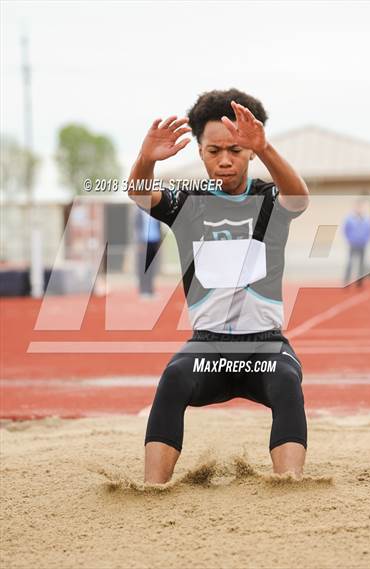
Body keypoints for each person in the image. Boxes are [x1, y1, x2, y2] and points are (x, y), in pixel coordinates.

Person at [128, 88, 309, 484]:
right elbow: (140, 195)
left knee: (286, 381)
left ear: (248, 152)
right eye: (214, 151)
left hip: (265, 344)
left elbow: (299, 198)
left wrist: (266, 149)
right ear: (199, 150)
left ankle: (291, 488)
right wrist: (145, 159)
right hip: (207, 347)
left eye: (236, 150)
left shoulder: (269, 197)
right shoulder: (188, 203)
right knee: (174, 377)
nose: (225, 160)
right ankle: (151, 490)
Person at [343, 202, 370, 287]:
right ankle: (346, 281)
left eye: (361, 208)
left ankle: (359, 282)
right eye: (358, 208)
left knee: (362, 263)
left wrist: (366, 239)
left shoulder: (367, 220)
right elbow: (345, 230)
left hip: (363, 244)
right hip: (353, 244)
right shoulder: (349, 219)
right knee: (350, 262)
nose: (359, 210)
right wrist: (349, 239)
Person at [134, 207, 161, 298]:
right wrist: (138, 242)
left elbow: (159, 228)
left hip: (154, 241)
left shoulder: (156, 212)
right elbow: (136, 228)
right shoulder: (139, 212)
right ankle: (143, 290)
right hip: (143, 242)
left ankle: (150, 290)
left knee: (152, 268)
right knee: (143, 267)